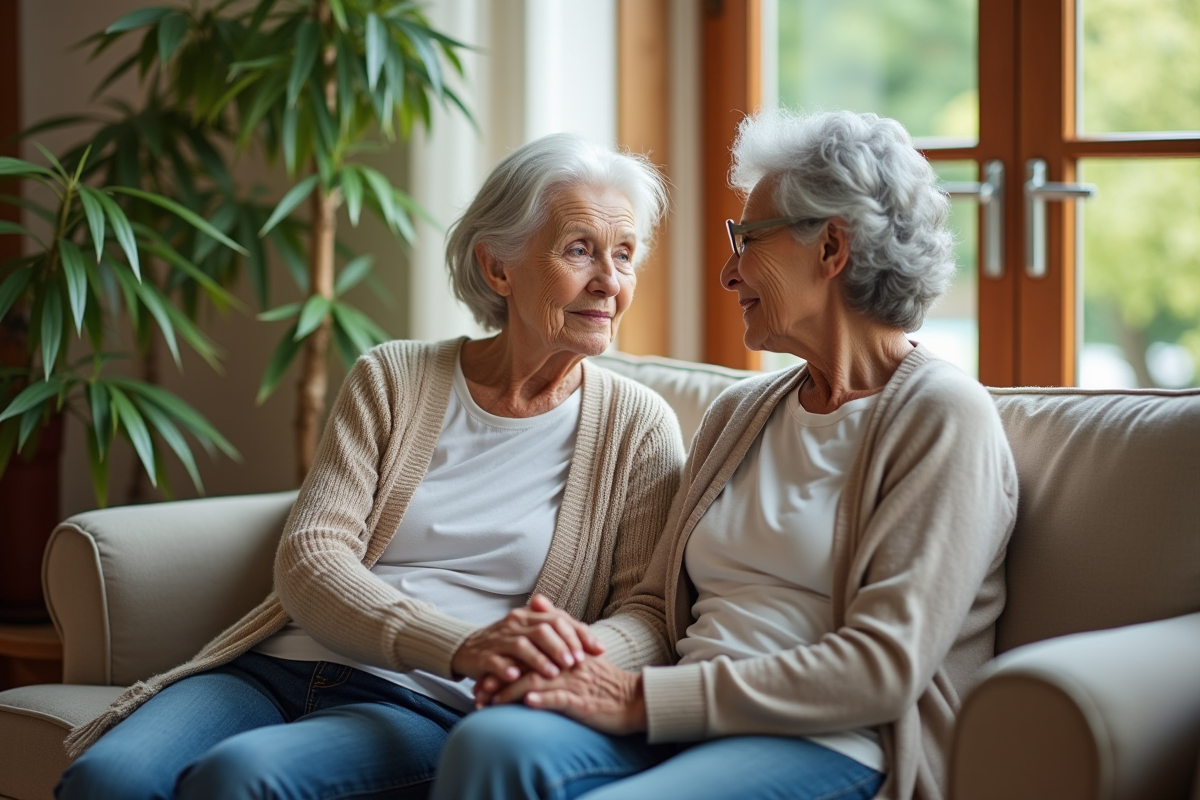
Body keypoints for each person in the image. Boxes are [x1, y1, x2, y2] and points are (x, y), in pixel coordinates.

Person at [56, 132, 684, 800]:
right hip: (273, 669)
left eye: (624, 255)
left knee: (241, 780)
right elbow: (312, 555)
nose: (610, 283)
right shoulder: (395, 376)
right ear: (498, 267)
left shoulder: (639, 428)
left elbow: (647, 613)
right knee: (106, 779)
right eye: (580, 249)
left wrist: (555, 662)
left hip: (426, 705)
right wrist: (460, 642)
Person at [432, 109, 1019, 800]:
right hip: (679, 719)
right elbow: (656, 602)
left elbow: (882, 667)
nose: (728, 272)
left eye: (748, 239)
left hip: (834, 742)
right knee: (489, 744)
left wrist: (643, 699)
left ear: (831, 248)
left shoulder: (942, 417)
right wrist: (571, 665)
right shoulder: (741, 414)